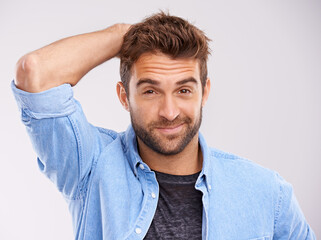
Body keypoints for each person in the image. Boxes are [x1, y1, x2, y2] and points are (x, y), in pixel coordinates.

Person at [12, 12, 315, 240]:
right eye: (150, 91)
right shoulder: (90, 167)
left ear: (204, 93)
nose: (169, 112)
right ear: (124, 96)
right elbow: (35, 72)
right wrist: (123, 35)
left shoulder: (267, 193)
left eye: (184, 90)